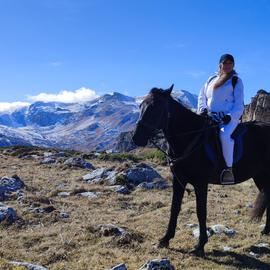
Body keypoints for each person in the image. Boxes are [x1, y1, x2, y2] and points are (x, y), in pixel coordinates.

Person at [197, 54, 244, 184]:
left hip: (228, 118)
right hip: (210, 117)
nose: (228, 65)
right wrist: (203, 110)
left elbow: (239, 104)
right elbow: (202, 97)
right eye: (225, 63)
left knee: (224, 136)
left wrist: (230, 116)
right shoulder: (211, 79)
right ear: (220, 65)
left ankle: (228, 169)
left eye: (230, 63)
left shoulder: (235, 81)